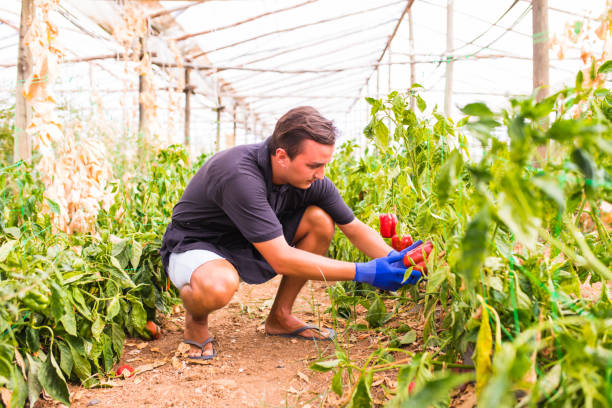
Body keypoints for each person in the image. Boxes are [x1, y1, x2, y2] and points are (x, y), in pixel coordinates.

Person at [160, 106, 424, 360]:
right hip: (198, 245)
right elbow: (281, 258)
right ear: (282, 156)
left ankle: (280, 317)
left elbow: (354, 228)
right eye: (313, 165)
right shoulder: (239, 174)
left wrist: (399, 261)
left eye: (324, 165)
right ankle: (196, 320)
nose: (321, 175)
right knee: (218, 287)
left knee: (320, 221)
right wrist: (365, 271)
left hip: (249, 240)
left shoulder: (312, 180)